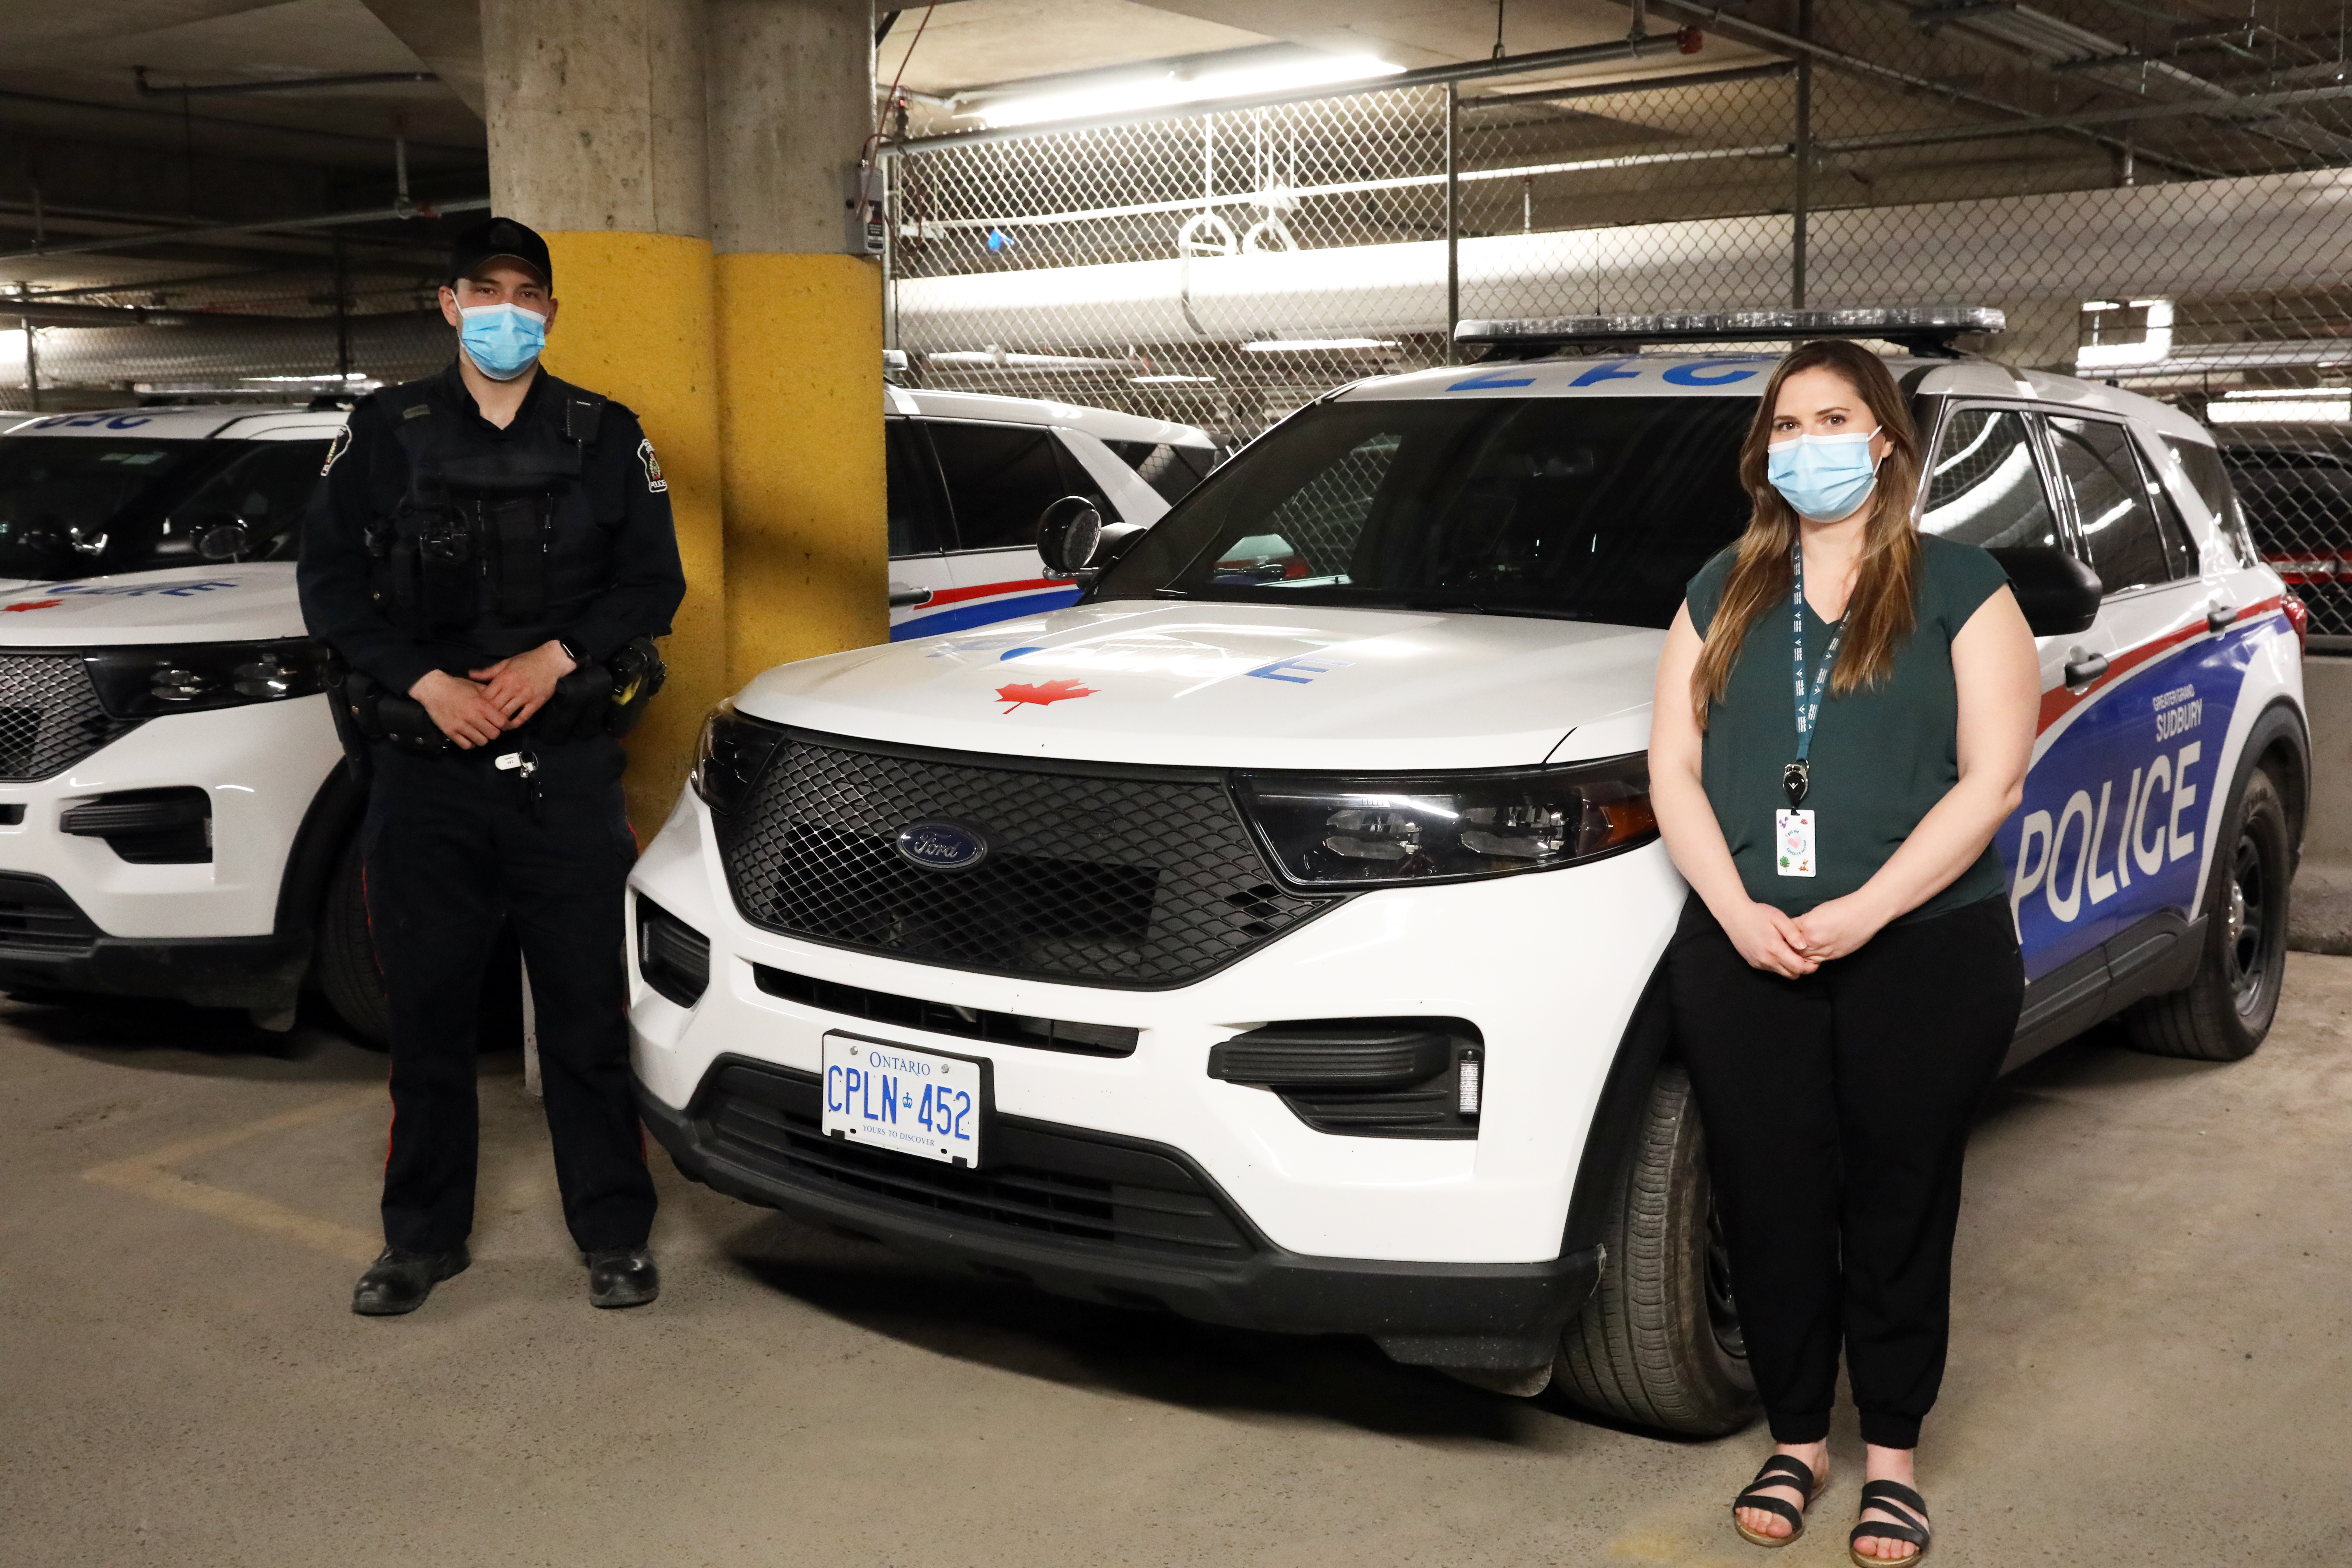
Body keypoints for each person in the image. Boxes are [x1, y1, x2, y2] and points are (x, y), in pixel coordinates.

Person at [1647, 340, 2040, 1563]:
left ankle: (1895, 1459)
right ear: (1766, 451)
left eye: (1834, 417)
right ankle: (1797, 1437)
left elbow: (1993, 782)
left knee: (1899, 1198)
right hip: (1747, 944)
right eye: (1787, 424)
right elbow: (1673, 767)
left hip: (1922, 947)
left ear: (1882, 438)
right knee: (1768, 1199)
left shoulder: (1967, 587)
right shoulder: (1723, 589)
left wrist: (1865, 912)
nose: (1807, 441)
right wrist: (1734, 910)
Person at [300, 216, 686, 1316]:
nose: (507, 310)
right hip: (426, 770)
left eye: (528, 293)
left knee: (584, 1015)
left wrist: (551, 659)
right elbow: (329, 586)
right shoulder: (383, 430)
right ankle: (420, 1240)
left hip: (561, 769)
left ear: (553, 312)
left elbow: (652, 586)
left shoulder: (607, 434)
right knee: (426, 1020)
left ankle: (613, 1233)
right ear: (449, 302)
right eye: (485, 289)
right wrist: (427, 684)